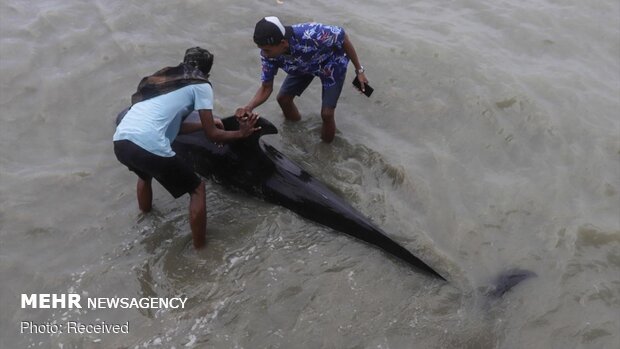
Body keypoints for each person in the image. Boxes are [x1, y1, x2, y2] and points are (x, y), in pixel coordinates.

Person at [113, 47, 260, 249]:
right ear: (207, 72)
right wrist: (242, 134)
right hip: (148, 142)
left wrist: (205, 123)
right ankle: (201, 249)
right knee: (197, 189)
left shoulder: (165, 80)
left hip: (121, 140)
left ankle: (145, 217)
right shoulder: (201, 85)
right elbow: (213, 135)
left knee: (145, 175)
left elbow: (175, 127)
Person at [236, 16, 368, 143]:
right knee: (283, 99)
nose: (264, 54)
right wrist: (249, 107)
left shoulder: (311, 33)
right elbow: (266, 87)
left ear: (283, 43)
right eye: (261, 49)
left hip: (331, 63)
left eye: (267, 50)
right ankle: (294, 130)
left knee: (327, 114)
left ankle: (325, 150)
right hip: (301, 66)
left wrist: (359, 71)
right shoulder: (269, 56)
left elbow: (343, 37)